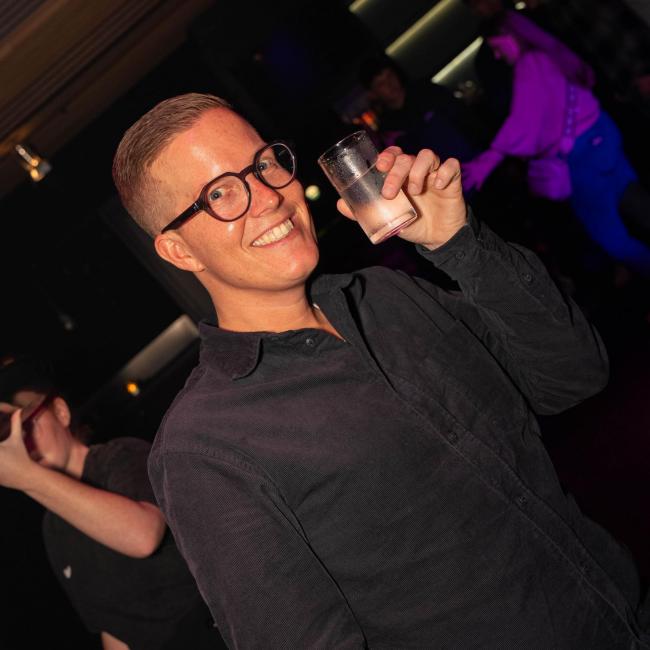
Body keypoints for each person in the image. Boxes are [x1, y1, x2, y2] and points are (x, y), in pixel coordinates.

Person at [112, 92, 650, 648]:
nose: (268, 197)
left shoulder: (386, 296)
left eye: (264, 163)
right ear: (179, 252)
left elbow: (574, 374)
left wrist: (458, 243)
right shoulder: (203, 448)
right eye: (219, 194)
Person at [0, 357, 225, 650]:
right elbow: (115, 629)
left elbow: (143, 535)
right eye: (8, 431)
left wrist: (27, 476)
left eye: (26, 420)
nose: (22, 439)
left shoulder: (119, 456)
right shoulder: (53, 529)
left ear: (60, 412)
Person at [462, 27, 650, 275]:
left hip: (581, 156)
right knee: (638, 205)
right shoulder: (552, 53)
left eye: (497, 47)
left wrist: (488, 160)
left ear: (510, 36)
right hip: (602, 136)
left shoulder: (529, 64)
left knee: (612, 238)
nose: (497, 55)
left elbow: (523, 122)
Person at [359, 55, 484, 162]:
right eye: (381, 84)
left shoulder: (427, 91)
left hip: (477, 159)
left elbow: (465, 117)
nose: (390, 84)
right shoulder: (388, 130)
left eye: (390, 76)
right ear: (373, 94)